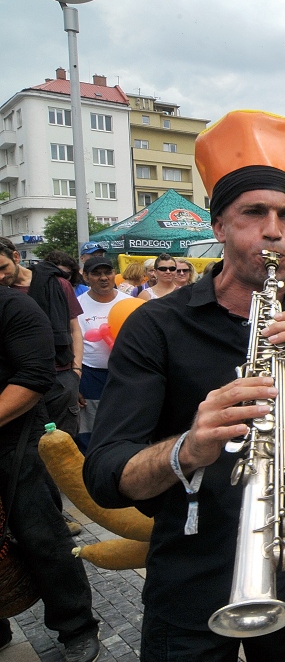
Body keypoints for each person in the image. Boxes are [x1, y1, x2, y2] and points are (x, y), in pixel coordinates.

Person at [83, 110, 285, 660]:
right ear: (218, 227)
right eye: (254, 213)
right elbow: (104, 474)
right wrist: (188, 448)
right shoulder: (156, 325)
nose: (274, 230)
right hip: (188, 579)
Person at [0, 284, 101, 662]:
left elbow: (32, 377)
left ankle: (76, 626)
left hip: (16, 440)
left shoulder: (14, 306)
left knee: (42, 536)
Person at [0, 239, 84, 441]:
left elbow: (74, 329)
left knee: (61, 451)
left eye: (3, 267)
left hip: (59, 381)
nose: (1, 276)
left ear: (16, 257)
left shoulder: (56, 284)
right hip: (16, 387)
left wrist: (76, 372)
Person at [76, 256, 129, 451]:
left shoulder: (130, 303)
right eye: (96, 274)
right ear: (86, 277)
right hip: (91, 377)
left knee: (122, 428)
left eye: (107, 272)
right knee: (90, 431)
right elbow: (72, 346)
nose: (104, 278)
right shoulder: (76, 305)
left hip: (125, 376)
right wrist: (75, 383)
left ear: (114, 274)